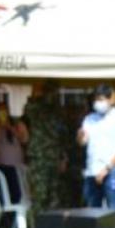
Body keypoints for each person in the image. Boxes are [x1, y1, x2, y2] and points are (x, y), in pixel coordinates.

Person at [77, 84, 115, 228]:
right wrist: (80, 135)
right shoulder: (89, 119)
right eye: (96, 99)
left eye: (101, 99)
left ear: (111, 100)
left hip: (112, 171)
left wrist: (107, 168)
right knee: (92, 212)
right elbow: (83, 142)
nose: (98, 103)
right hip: (91, 171)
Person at [23, 81, 68, 217]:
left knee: (54, 196)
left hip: (53, 156)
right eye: (51, 92)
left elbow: (59, 135)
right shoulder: (34, 106)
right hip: (39, 158)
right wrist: (37, 95)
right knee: (40, 196)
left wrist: (62, 157)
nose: (53, 95)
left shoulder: (56, 109)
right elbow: (29, 111)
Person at [0, 103, 30, 210]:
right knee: (2, 194)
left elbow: (24, 140)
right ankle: (5, 217)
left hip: (15, 166)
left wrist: (10, 127)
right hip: (0, 165)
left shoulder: (18, 125)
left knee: (16, 194)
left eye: (4, 112)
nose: (2, 115)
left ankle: (14, 215)